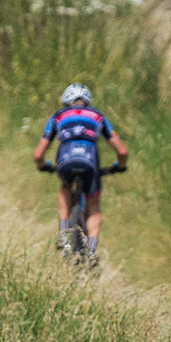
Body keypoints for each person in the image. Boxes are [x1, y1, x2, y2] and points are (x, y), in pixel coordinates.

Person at [31, 83, 130, 266]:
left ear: (65, 101)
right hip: (90, 163)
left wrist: (43, 165)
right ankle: (91, 251)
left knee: (65, 188)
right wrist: (120, 166)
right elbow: (122, 152)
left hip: (65, 162)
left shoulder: (57, 116)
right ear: (87, 101)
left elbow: (38, 154)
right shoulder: (98, 116)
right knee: (94, 207)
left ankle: (63, 235)